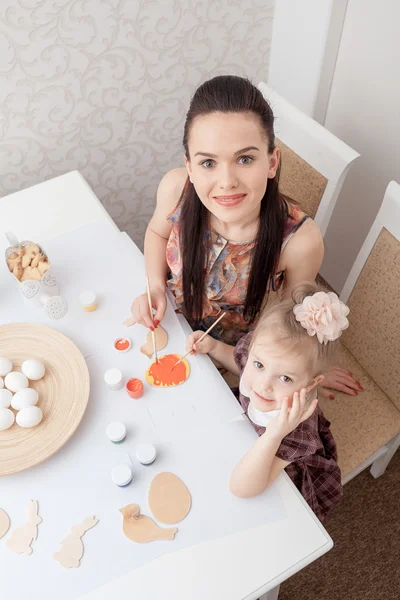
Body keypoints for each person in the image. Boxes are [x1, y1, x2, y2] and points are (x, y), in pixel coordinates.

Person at [130, 74, 360, 398]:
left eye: (245, 159)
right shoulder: (174, 188)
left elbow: (291, 327)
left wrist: (310, 366)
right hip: (168, 322)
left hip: (235, 358)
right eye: (208, 162)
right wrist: (154, 283)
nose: (226, 181)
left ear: (271, 161)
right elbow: (157, 232)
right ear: (190, 167)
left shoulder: (299, 242)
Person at [186, 283, 347, 521]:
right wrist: (214, 347)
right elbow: (240, 363)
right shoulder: (258, 363)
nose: (263, 385)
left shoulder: (296, 431)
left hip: (272, 465)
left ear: (311, 384)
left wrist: (274, 434)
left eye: (285, 378)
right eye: (259, 365)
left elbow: (243, 488)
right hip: (241, 429)